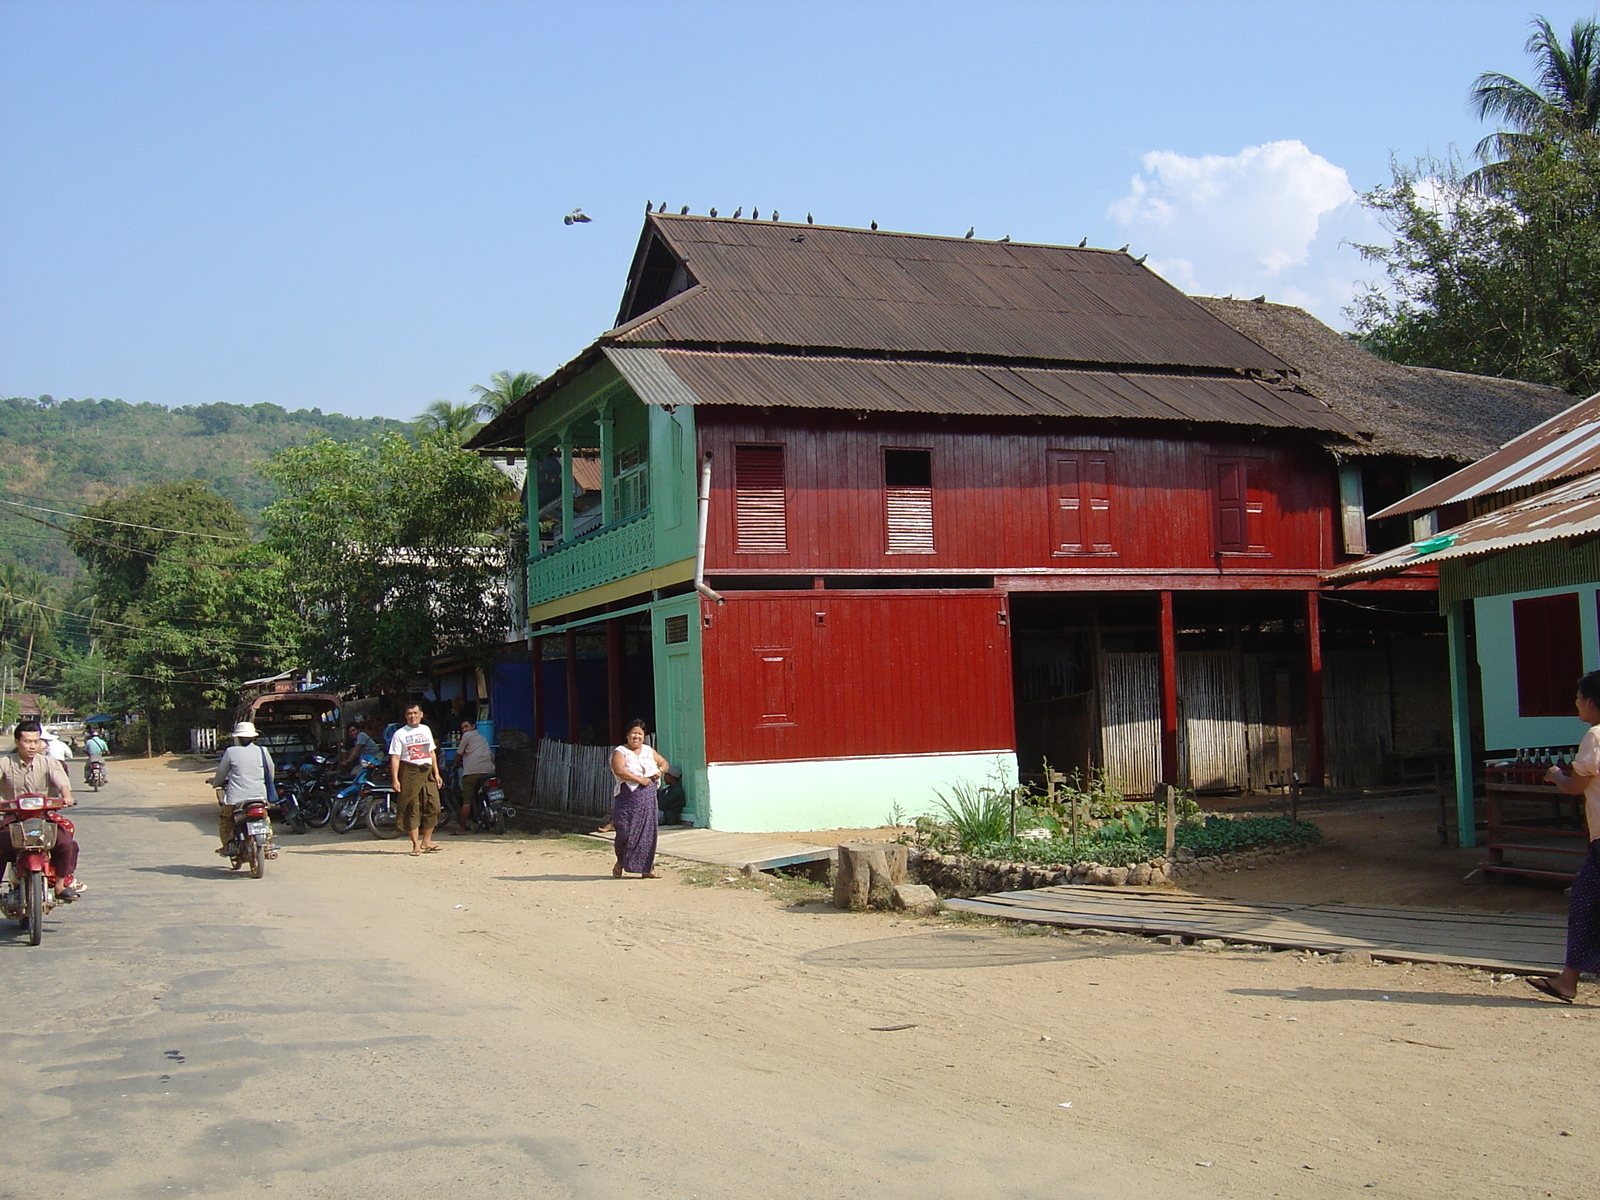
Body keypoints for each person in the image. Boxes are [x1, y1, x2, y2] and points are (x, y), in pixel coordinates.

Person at [1535, 670, 1600, 1002]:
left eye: (1578, 698)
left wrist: (1556, 775)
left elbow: (1575, 786)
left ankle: (1568, 980)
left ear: (1591, 701)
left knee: (1585, 904)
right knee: (1587, 904)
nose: (1576, 704)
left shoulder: (1595, 737)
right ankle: (1568, 980)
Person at [0, 719, 84, 898]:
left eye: (36, 741)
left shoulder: (49, 763)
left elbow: (61, 781)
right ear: (17, 742)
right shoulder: (4, 763)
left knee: (66, 845)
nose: (32, 746)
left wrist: (66, 796)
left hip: (44, 818)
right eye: (27, 741)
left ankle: (61, 885)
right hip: (13, 819)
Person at [609, 718, 669, 879]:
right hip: (628, 796)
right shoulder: (620, 752)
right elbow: (619, 770)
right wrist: (639, 780)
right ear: (627, 735)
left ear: (644, 736)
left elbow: (664, 763)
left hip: (648, 796)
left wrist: (660, 771)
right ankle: (621, 861)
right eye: (633, 733)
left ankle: (647, 869)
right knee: (625, 830)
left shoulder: (649, 751)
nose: (636, 736)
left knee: (647, 832)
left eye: (640, 734)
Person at [209, 721, 276, 857]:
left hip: (236, 798)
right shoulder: (263, 751)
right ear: (253, 737)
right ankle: (268, 843)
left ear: (238, 738)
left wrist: (215, 783)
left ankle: (228, 845)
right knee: (264, 817)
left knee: (226, 818)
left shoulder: (231, 752)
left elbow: (221, 774)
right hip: (259, 796)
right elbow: (271, 771)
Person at [388, 703, 444, 856]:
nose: (412, 716)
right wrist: (395, 779)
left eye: (415, 713)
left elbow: (431, 753)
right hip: (409, 772)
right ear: (405, 716)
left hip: (427, 771)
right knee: (413, 807)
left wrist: (437, 773)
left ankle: (427, 841)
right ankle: (415, 845)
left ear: (421, 714)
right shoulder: (400, 734)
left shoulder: (425, 730)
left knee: (434, 805)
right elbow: (395, 757)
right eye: (409, 713)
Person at [452, 719, 495, 834]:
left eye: (466, 726)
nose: (464, 730)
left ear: (473, 726)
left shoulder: (467, 736)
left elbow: (459, 753)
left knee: (467, 801)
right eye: (462, 728)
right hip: (489, 771)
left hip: (472, 772)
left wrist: (455, 764)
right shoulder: (482, 738)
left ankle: (461, 829)